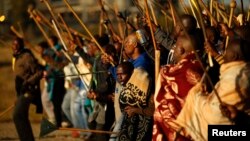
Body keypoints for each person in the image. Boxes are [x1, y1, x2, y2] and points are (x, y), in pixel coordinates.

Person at [175, 38, 250, 141]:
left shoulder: (236, 79)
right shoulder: (242, 71)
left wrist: (197, 97)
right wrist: (215, 54)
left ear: (234, 56)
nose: (224, 53)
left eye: (226, 51)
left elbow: (215, 115)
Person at [152, 35, 204, 141]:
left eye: (175, 47)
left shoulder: (170, 72)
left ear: (180, 50)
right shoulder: (202, 67)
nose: (173, 49)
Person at [12, 37, 43, 141]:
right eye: (13, 44)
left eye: (17, 44)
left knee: (17, 115)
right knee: (21, 116)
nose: (14, 46)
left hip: (28, 90)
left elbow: (39, 72)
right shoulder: (17, 57)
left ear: (21, 45)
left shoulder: (27, 57)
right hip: (21, 91)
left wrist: (28, 82)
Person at [117, 61, 155, 141]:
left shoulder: (146, 88)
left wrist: (135, 110)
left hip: (145, 132)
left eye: (122, 74)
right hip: (130, 131)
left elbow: (152, 111)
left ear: (131, 73)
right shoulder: (125, 89)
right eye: (118, 74)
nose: (119, 78)